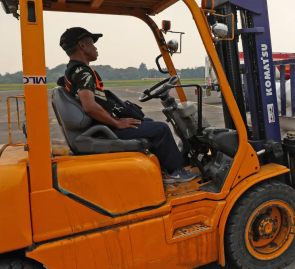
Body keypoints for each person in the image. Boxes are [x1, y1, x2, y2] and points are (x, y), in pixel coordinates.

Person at [59, 27, 197, 183]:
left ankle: (163, 168)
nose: (95, 47)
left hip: (98, 127)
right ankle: (174, 172)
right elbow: (89, 106)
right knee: (162, 129)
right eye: (92, 42)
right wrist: (117, 123)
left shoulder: (73, 70)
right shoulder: (82, 72)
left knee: (149, 124)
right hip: (103, 129)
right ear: (82, 46)